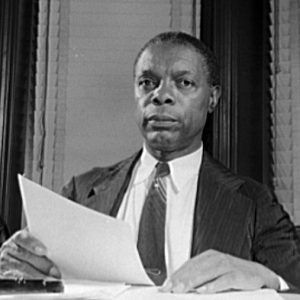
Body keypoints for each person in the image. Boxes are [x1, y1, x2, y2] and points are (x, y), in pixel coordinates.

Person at [0, 31, 299, 293]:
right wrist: (17, 270)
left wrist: (267, 277)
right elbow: (38, 275)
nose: (161, 95)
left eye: (183, 83)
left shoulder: (255, 203)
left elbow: (294, 281)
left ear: (212, 98)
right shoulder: (82, 192)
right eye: (147, 82)